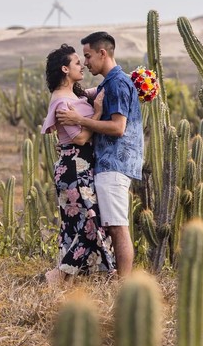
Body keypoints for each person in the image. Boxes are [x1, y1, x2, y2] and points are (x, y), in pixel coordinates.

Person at [55, 31, 143, 278]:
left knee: (117, 227)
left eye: (88, 56)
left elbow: (118, 127)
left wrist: (79, 119)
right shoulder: (110, 82)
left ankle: (124, 285)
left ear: (102, 53)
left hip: (114, 163)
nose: (85, 62)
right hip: (108, 163)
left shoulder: (116, 84)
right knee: (111, 226)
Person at [40, 44, 116, 286]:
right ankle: (58, 274)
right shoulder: (62, 103)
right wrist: (97, 113)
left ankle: (70, 280)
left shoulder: (74, 95)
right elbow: (81, 138)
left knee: (76, 224)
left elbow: (102, 88)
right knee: (91, 222)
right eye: (76, 62)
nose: (82, 65)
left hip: (80, 166)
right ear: (65, 69)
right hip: (74, 167)